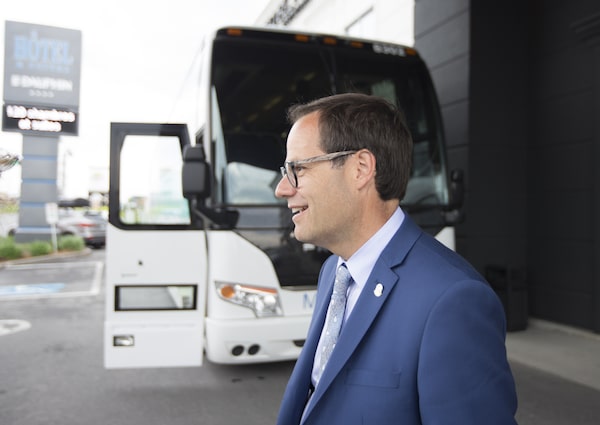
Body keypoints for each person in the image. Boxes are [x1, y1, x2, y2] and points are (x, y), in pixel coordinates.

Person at [274, 93, 518, 425]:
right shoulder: (334, 270)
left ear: (361, 168)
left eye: (298, 169)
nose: (282, 188)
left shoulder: (453, 300)